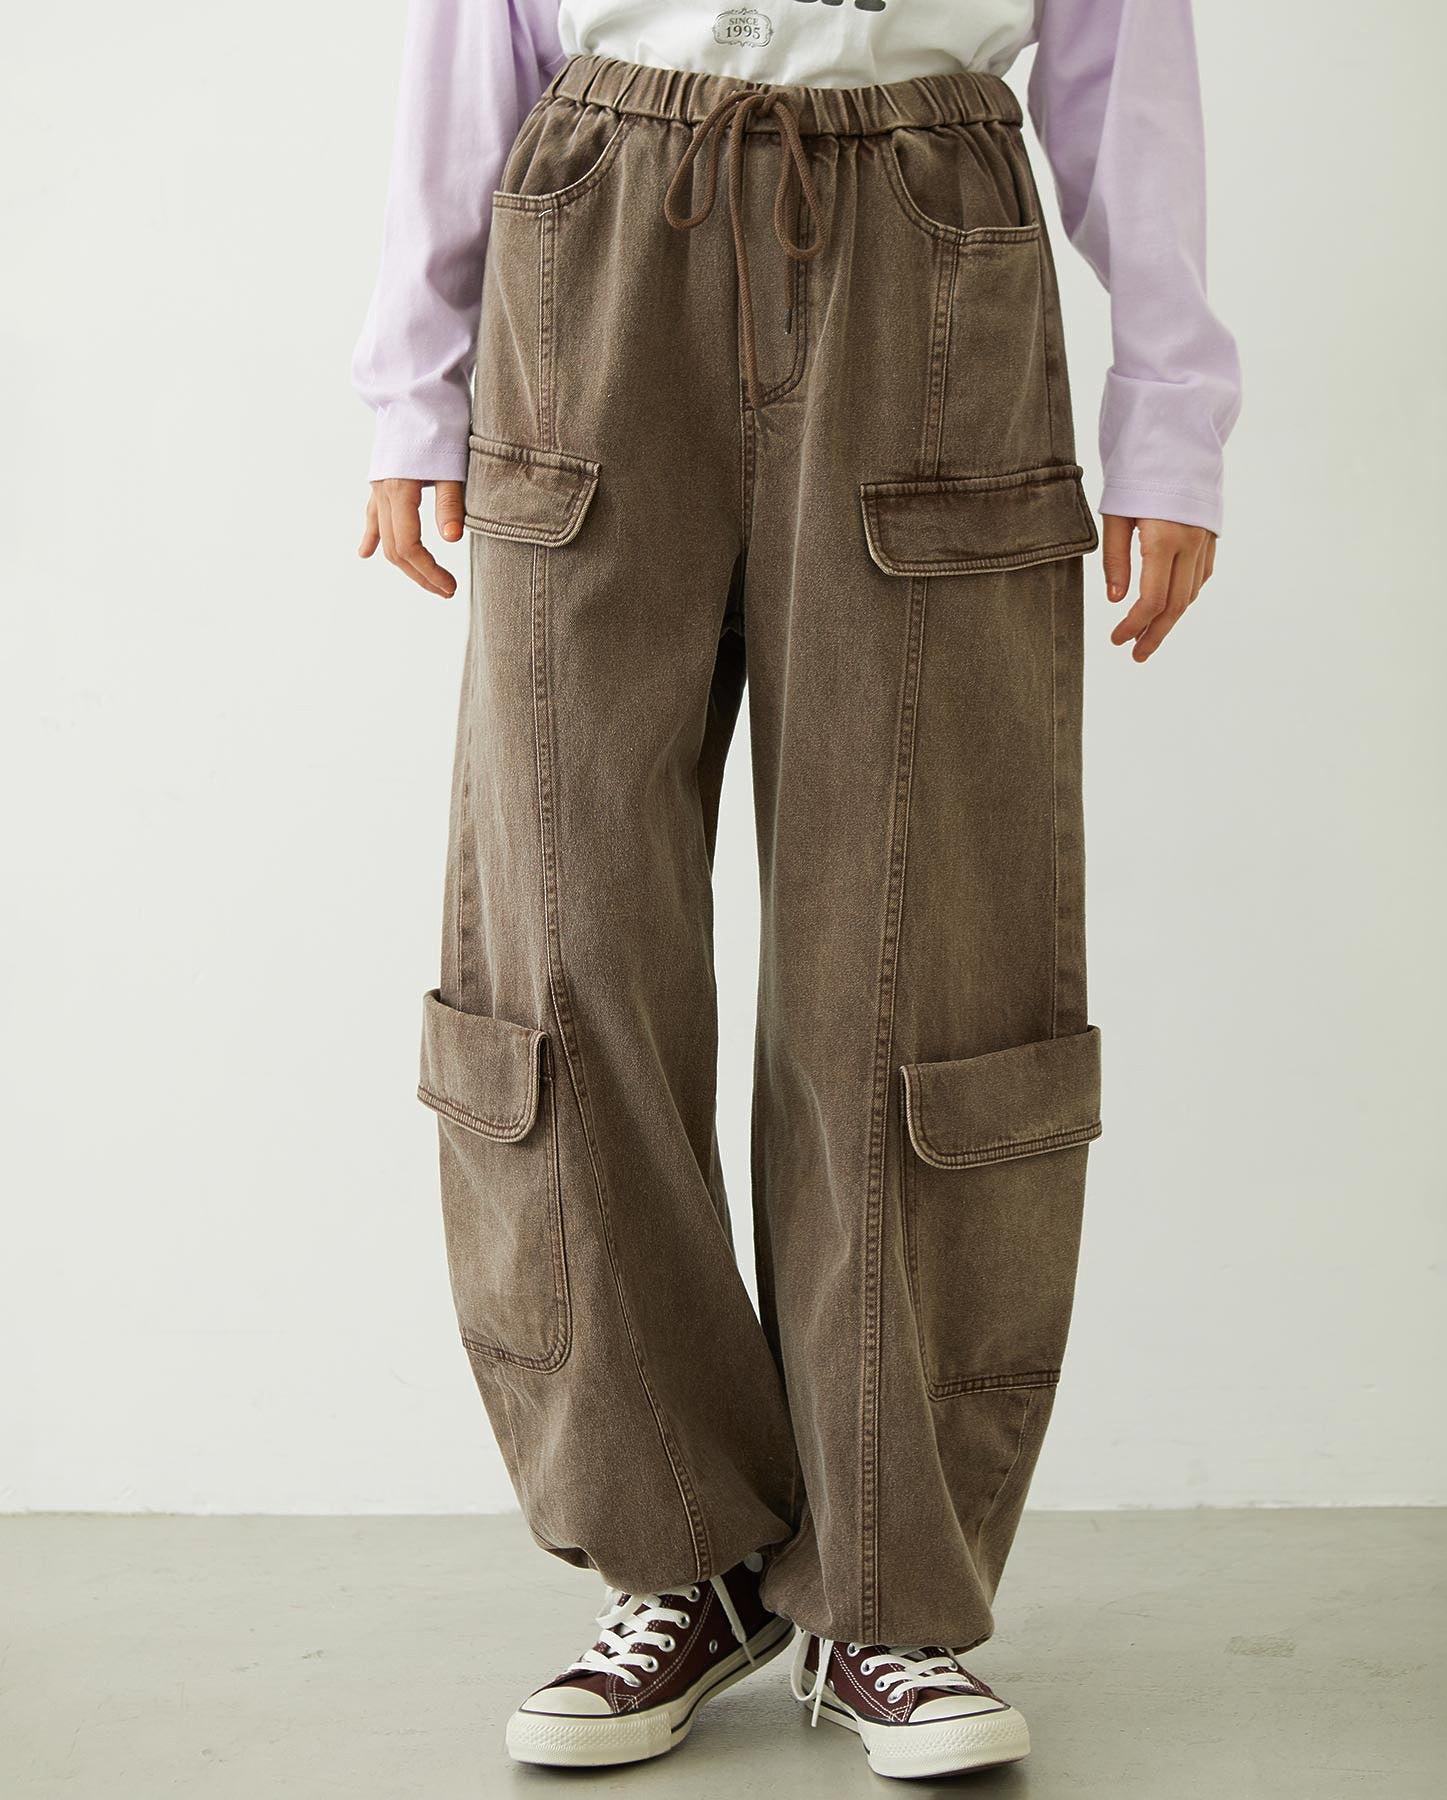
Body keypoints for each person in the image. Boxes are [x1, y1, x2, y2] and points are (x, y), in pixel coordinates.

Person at [353, 0, 1239, 1779]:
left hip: (930, 237)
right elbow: (472, 34)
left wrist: (1174, 415)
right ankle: (676, 1554)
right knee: (567, 941)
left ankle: (885, 1596)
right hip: (597, 239)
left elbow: (1126, 63)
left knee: (919, 957)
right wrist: (408, 378)